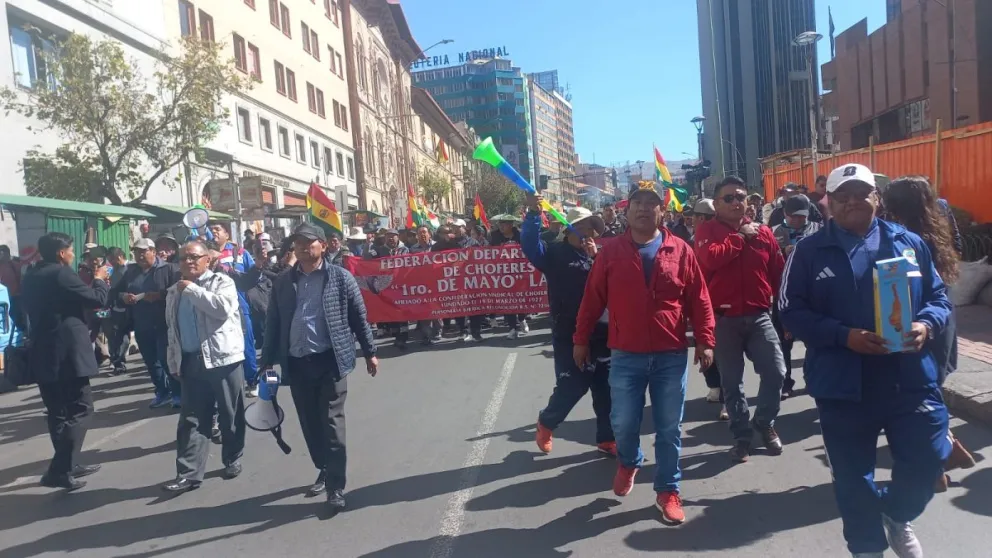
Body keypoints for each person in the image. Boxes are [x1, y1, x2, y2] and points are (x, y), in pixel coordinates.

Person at [780, 163, 953, 558]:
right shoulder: (808, 251)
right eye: (844, 195)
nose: (854, 201)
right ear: (828, 203)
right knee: (853, 479)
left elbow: (939, 298)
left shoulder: (909, 243)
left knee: (928, 461)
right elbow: (790, 310)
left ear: (877, 197)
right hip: (843, 382)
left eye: (863, 193)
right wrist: (844, 336)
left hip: (908, 378)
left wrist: (926, 325)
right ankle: (866, 548)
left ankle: (896, 513)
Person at [573, 183, 715, 525]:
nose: (644, 208)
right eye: (638, 202)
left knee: (669, 428)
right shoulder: (609, 253)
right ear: (627, 210)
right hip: (626, 354)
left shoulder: (680, 250)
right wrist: (580, 339)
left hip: (670, 354)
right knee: (622, 421)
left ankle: (668, 491)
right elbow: (592, 300)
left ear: (661, 212)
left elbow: (699, 298)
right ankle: (630, 459)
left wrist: (706, 339)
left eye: (652, 203)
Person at [260, 223, 378, 511]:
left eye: (309, 242)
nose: (302, 247)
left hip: (330, 360)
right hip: (297, 363)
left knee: (331, 422)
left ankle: (336, 487)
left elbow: (358, 316)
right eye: (297, 243)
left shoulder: (340, 277)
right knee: (310, 423)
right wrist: (266, 364)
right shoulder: (283, 282)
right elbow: (273, 323)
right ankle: (324, 467)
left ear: (323, 245)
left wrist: (369, 351)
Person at [882, 175, 975, 490]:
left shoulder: (893, 236)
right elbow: (958, 251)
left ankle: (933, 463)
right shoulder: (941, 220)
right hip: (941, 317)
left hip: (911, 323)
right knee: (929, 391)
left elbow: (896, 286)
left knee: (916, 397)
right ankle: (941, 450)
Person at [695, 176, 787, 463]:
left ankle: (764, 422)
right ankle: (742, 436)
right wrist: (740, 238)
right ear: (717, 204)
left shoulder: (764, 232)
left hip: (760, 316)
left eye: (741, 197)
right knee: (732, 384)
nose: (736, 202)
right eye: (729, 198)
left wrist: (786, 314)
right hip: (723, 320)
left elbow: (778, 273)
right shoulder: (706, 231)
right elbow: (709, 260)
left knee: (776, 372)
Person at [521, 195, 615, 457]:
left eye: (593, 228)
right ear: (571, 228)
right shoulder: (554, 254)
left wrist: (596, 260)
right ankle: (547, 422)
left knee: (606, 390)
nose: (590, 232)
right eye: (585, 226)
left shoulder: (598, 256)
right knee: (572, 386)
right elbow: (530, 246)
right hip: (569, 334)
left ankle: (607, 439)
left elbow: (612, 287)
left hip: (602, 333)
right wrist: (532, 214)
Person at [22, 232, 109, 490]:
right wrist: (99, 280)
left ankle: (69, 462)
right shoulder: (61, 273)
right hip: (67, 353)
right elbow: (97, 300)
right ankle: (59, 470)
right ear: (61, 253)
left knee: (58, 412)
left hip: (43, 351)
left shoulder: (31, 275)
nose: (73, 255)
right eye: (71, 250)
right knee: (81, 408)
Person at [161, 242, 247, 493]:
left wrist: (192, 291)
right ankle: (188, 473)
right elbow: (172, 329)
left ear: (207, 260)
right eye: (184, 258)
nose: (189, 262)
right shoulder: (173, 291)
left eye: (194, 257)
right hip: (190, 360)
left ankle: (232, 457)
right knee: (192, 419)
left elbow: (221, 309)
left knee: (230, 413)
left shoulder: (222, 282)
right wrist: (173, 360)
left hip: (222, 359)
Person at [110, 238, 181, 408]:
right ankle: (162, 392)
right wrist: (124, 297)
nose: (140, 255)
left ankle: (178, 393)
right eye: (136, 252)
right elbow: (115, 293)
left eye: (144, 251)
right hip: (141, 323)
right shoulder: (130, 271)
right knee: (151, 361)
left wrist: (158, 295)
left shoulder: (169, 269)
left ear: (154, 252)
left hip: (164, 323)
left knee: (167, 360)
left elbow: (178, 289)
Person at [771, 194, 822, 399]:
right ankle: (785, 382)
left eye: (801, 216)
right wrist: (783, 251)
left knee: (814, 340)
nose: (797, 220)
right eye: (793, 216)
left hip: (813, 294)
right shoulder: (774, 233)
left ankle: (812, 379)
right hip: (782, 293)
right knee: (783, 343)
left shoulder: (819, 230)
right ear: (785, 214)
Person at [688, 199, 729, 421]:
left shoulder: (718, 239)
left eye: (694, 216)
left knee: (723, 354)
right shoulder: (694, 240)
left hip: (719, 305)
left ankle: (727, 400)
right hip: (701, 304)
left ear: (702, 218)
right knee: (704, 346)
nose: (692, 220)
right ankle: (714, 386)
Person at [208, 221, 259, 396]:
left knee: (246, 345)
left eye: (217, 228)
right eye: (211, 229)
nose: (213, 232)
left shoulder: (240, 253)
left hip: (240, 306)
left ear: (227, 234)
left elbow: (252, 277)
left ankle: (252, 380)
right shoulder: (204, 254)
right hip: (214, 308)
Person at [365, 229, 410, 348]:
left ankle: (403, 335)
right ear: (385, 238)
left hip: (401, 285)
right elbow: (369, 261)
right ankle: (396, 333)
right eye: (388, 236)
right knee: (391, 310)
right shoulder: (379, 250)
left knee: (402, 308)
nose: (391, 239)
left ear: (398, 237)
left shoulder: (405, 250)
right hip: (386, 285)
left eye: (393, 236)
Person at [490, 216, 529, 338]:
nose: (501, 226)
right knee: (509, 301)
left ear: (511, 225)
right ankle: (513, 328)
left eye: (504, 224)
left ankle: (522, 318)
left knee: (521, 299)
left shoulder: (521, 235)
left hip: (520, 272)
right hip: (503, 274)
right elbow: (488, 252)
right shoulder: (494, 237)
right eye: (500, 224)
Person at [105, 247, 133, 375]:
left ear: (119, 257)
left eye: (112, 259)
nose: (110, 262)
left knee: (123, 336)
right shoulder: (113, 270)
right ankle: (118, 363)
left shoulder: (132, 268)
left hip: (131, 307)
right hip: (117, 309)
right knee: (118, 336)